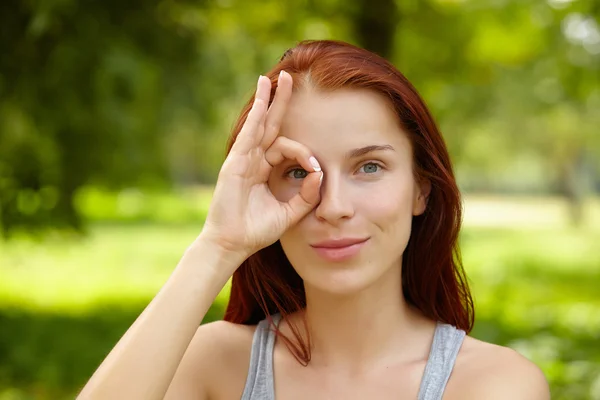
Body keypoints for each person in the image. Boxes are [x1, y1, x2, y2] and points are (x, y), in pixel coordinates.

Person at [77, 40, 550, 400]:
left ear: (421, 189)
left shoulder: (491, 384)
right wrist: (217, 247)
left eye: (369, 167)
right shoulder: (215, 363)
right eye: (298, 172)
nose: (333, 206)